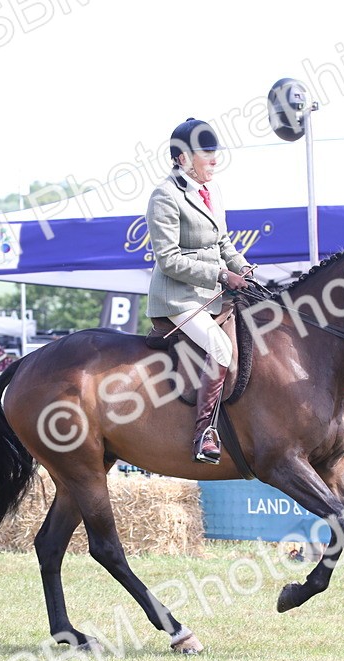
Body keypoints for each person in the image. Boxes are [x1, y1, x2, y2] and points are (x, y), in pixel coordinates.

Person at [146, 117, 252, 464]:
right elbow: (168, 260)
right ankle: (204, 433)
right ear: (182, 159)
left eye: (215, 153)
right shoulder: (164, 196)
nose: (214, 161)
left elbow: (223, 241)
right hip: (178, 298)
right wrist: (222, 275)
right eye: (207, 155)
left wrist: (242, 268)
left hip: (210, 296)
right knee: (221, 349)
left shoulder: (213, 191)